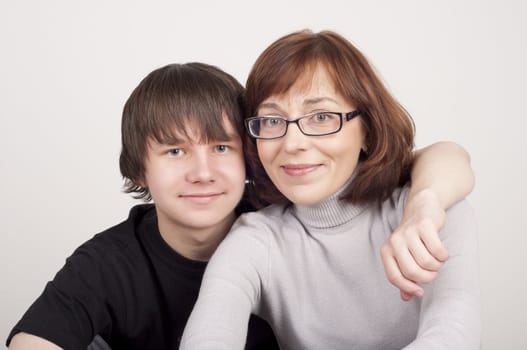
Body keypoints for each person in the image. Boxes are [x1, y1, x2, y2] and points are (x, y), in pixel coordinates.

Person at [7, 60, 473, 350]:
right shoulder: (109, 262)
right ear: (137, 171)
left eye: (222, 148)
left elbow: (440, 156)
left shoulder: (275, 211)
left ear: (250, 155)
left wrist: (426, 203)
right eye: (174, 152)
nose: (202, 172)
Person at [180, 30, 480, 349]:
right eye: (272, 120)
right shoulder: (255, 239)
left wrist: (425, 205)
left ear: (367, 130)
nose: (293, 143)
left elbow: (452, 337)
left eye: (321, 116)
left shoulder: (431, 214)